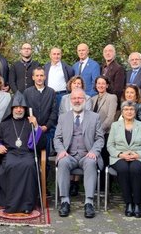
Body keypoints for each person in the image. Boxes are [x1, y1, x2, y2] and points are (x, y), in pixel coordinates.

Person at [54, 88, 105, 219]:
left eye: (80, 98)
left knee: (91, 162)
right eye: (74, 98)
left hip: (87, 154)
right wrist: (61, 151)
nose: (77, 101)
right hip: (69, 155)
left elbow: (100, 138)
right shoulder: (63, 117)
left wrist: (94, 151)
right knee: (63, 162)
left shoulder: (94, 117)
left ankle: (89, 203)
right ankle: (65, 201)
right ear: (70, 100)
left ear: (85, 100)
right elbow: (57, 138)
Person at [0, 95, 43, 214]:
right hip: (10, 154)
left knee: (29, 166)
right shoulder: (4, 124)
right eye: (16, 107)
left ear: (25, 109)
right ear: (11, 109)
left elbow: (41, 143)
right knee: (10, 165)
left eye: (21, 107)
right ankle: (10, 203)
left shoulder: (30, 122)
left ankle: (27, 205)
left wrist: (36, 126)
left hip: (27, 154)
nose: (19, 110)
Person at [107, 101, 141, 218]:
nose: (129, 112)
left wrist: (137, 154)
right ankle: (128, 203)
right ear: (122, 112)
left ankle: (137, 203)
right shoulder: (115, 125)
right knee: (123, 169)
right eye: (126, 109)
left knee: (135, 169)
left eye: (131, 109)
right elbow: (110, 145)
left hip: (138, 158)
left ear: (135, 112)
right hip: (119, 157)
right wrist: (121, 154)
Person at [23, 67, 57, 156]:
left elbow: (54, 112)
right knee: (31, 156)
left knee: (45, 157)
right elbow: (25, 111)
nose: (39, 78)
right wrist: (34, 125)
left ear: (45, 77)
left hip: (46, 130)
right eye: (37, 75)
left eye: (41, 75)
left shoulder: (51, 92)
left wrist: (47, 126)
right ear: (33, 77)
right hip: (31, 130)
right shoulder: (27, 92)